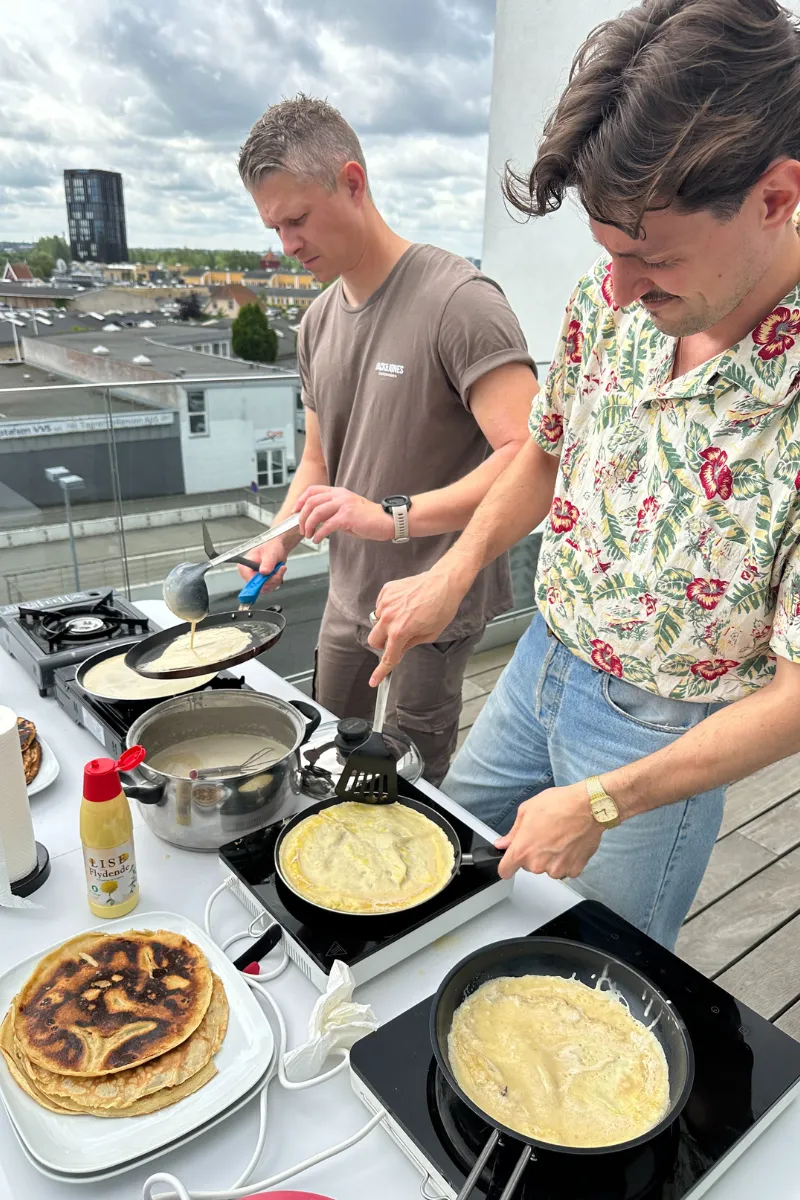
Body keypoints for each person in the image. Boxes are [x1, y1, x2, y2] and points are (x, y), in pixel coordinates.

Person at [368, 0, 800, 949]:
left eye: (650, 257)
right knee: (436, 865)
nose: (618, 291)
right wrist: (447, 576)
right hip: (537, 665)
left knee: (592, 971)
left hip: (663, 734)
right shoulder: (609, 302)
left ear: (774, 198)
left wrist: (605, 803)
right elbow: (546, 451)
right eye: (606, 252)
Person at [236, 96, 537, 785]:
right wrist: (279, 536)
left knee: (407, 782)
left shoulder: (460, 301)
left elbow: (526, 456)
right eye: (274, 226)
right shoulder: (314, 323)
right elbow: (318, 458)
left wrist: (387, 517)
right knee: (318, 763)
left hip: (435, 597)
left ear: (352, 181)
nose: (287, 244)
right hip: (349, 593)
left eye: (298, 218)